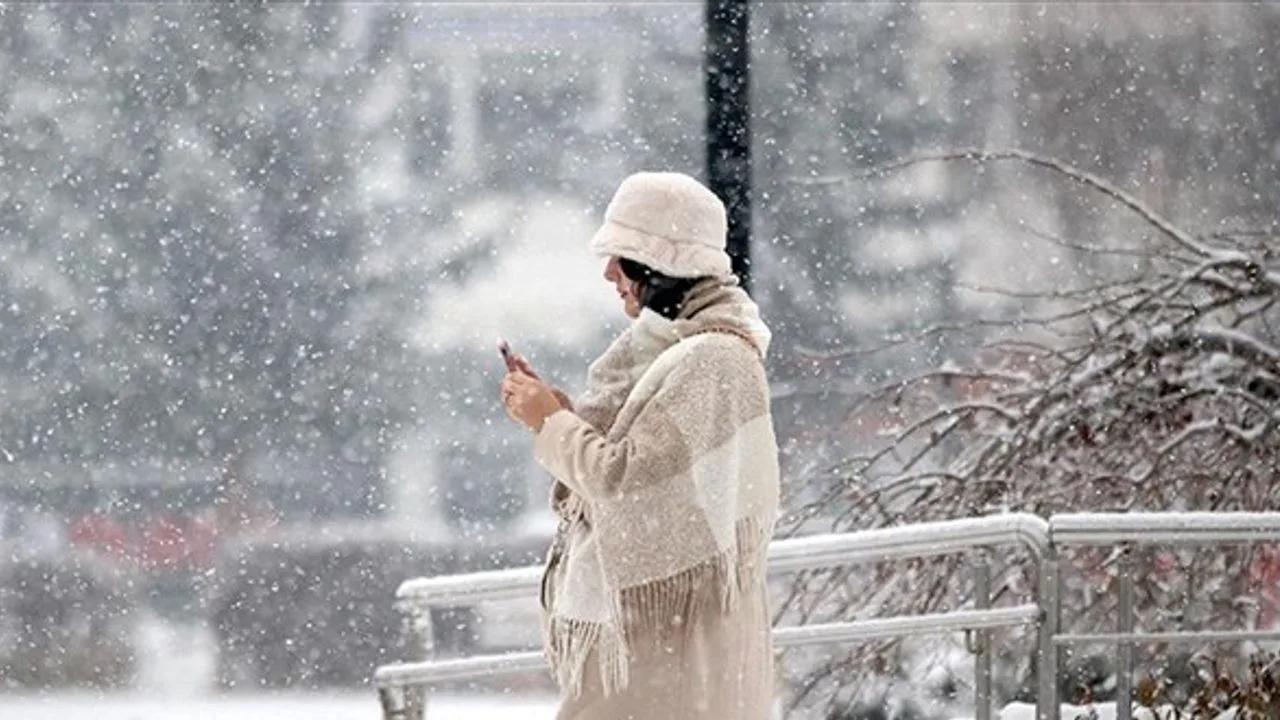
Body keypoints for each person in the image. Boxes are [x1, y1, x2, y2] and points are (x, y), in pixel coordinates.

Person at [501, 171, 780, 720]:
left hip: (667, 655)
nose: (609, 273)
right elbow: (644, 468)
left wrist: (552, 423)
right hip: (654, 648)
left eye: (623, 258)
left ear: (662, 265)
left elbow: (626, 483)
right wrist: (554, 415)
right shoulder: (675, 352)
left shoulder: (713, 360)